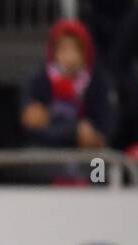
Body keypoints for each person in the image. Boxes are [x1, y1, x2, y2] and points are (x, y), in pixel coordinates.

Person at [20, 18, 117, 148]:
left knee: (99, 164)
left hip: (86, 155)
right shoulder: (39, 79)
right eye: (63, 49)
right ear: (54, 52)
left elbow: (103, 129)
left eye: (76, 49)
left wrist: (93, 136)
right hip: (44, 152)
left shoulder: (98, 81)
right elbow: (31, 122)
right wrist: (75, 131)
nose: (70, 57)